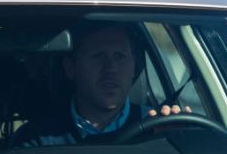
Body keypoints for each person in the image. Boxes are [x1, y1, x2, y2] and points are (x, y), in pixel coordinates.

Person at [11, 23, 188, 147]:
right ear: (70, 68)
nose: (110, 68)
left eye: (119, 56)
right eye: (98, 57)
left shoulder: (157, 129)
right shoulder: (37, 140)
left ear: (134, 66)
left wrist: (179, 140)